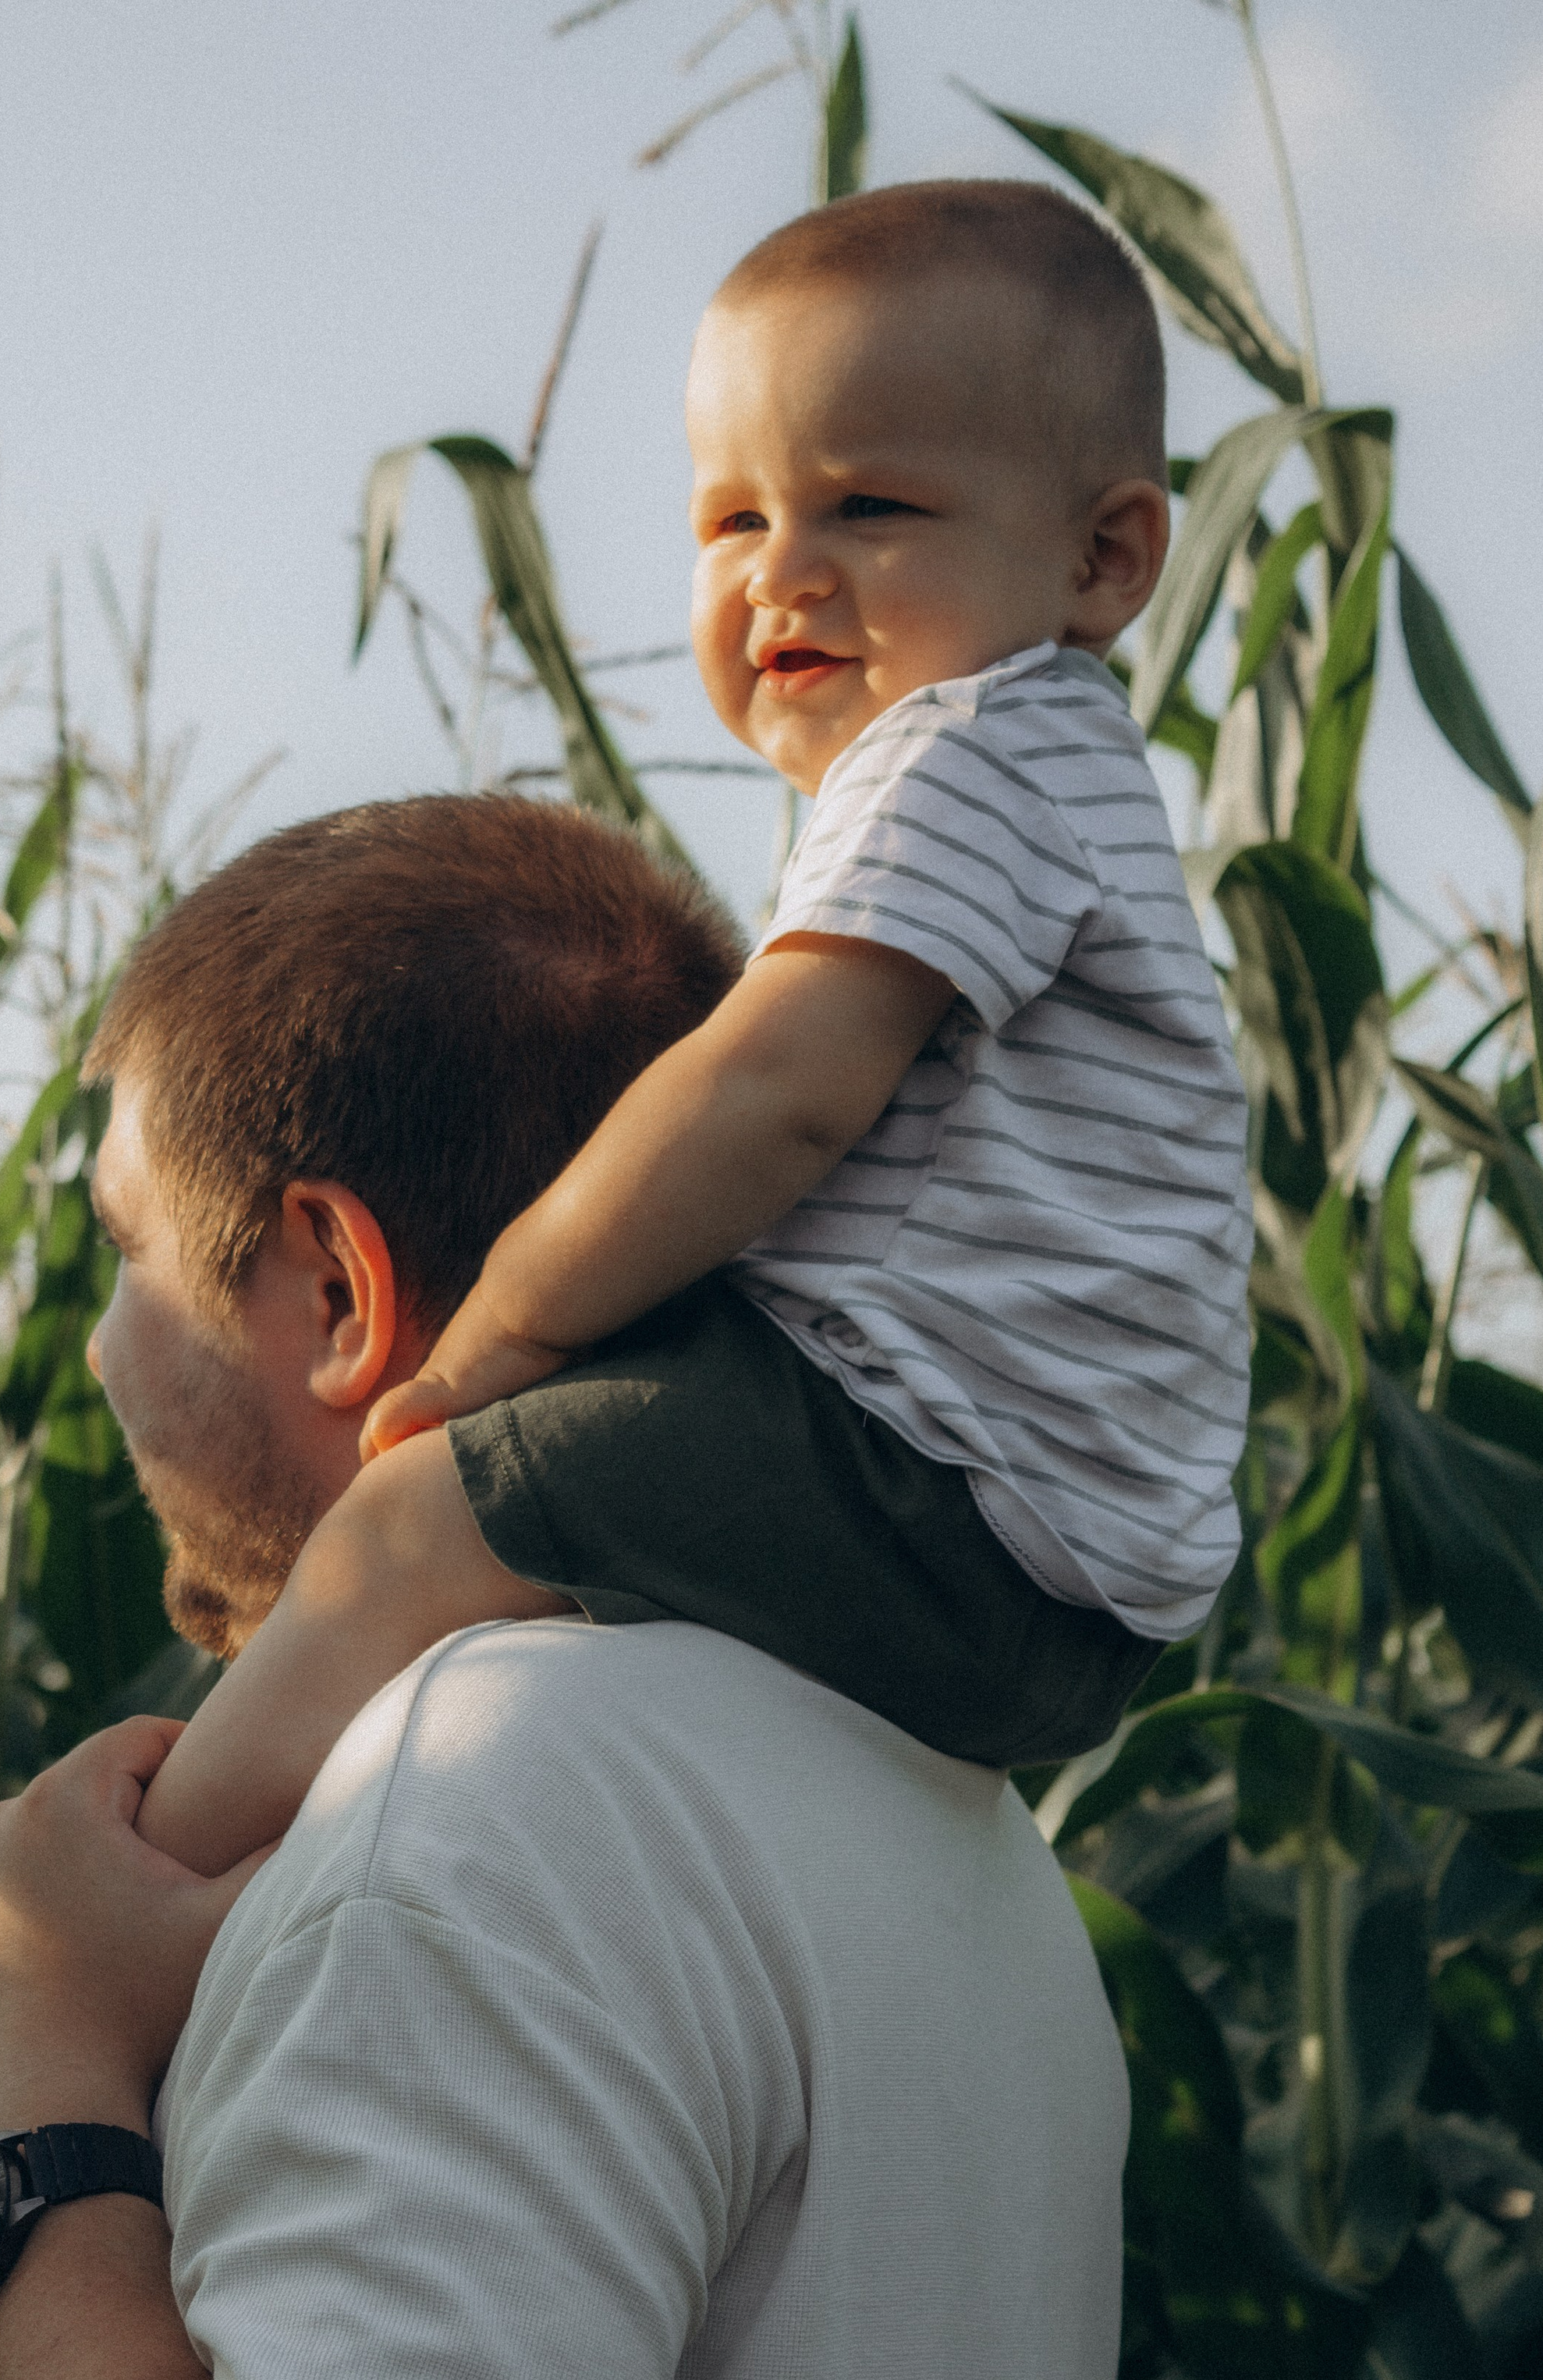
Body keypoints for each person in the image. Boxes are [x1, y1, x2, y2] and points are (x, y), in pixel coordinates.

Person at [0, 788, 1131, 2380]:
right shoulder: (938, 1815)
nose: (93, 1354)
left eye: (124, 1256)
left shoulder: (491, 1796)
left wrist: (46, 2105)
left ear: (334, 1287)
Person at [123, 176, 1253, 1895]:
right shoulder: (1051, 773)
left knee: (415, 1518)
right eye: (732, 519)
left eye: (869, 505)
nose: (781, 573)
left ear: (1105, 558)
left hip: (952, 1497)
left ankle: (145, 1900)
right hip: (1054, 1558)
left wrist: (508, 1323)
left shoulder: (966, 754)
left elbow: (774, 1092)